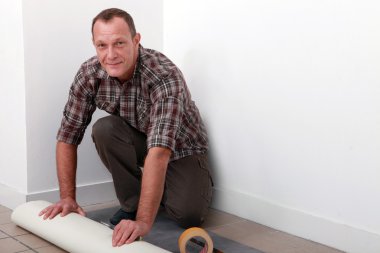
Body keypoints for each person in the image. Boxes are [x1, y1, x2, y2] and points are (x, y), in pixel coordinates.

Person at [38, 8, 213, 247]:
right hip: (143, 140)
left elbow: (160, 152)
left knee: (187, 215)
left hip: (183, 149)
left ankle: (157, 197)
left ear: (136, 40)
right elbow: (67, 136)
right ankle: (133, 204)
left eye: (119, 43)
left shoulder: (163, 75)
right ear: (94, 44)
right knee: (104, 129)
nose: (110, 55)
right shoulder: (89, 74)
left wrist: (143, 223)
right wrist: (67, 198)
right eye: (102, 45)